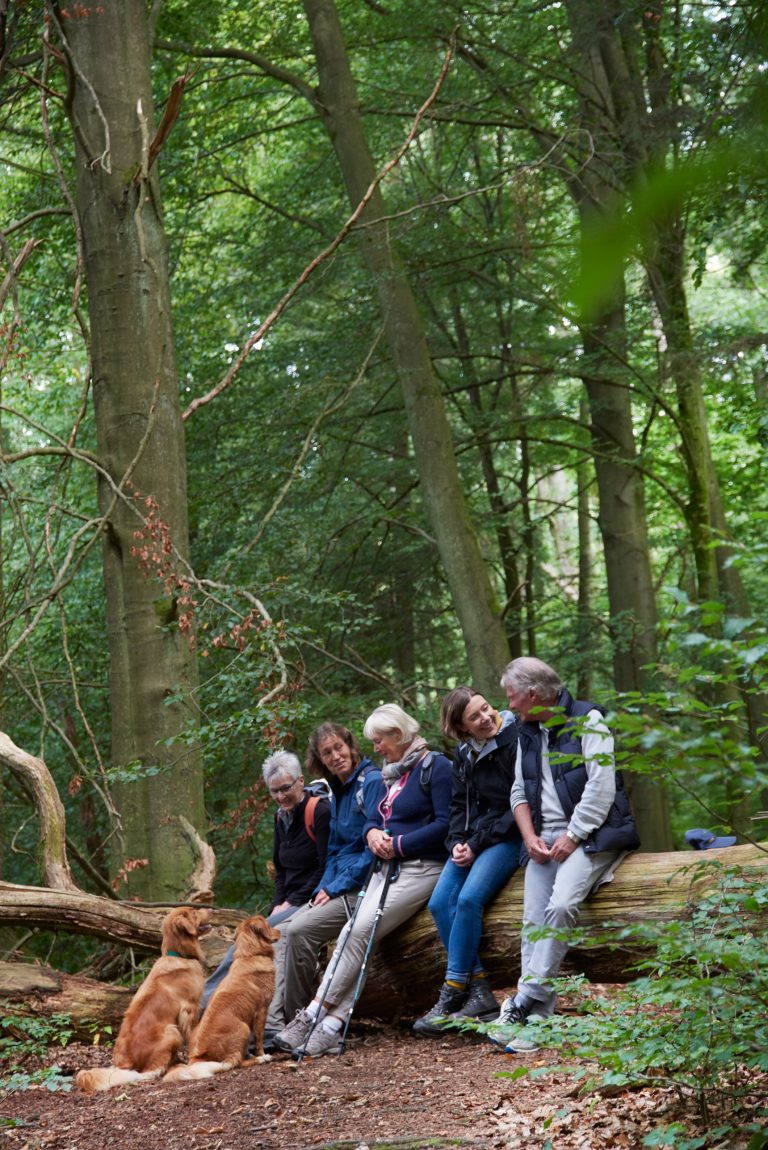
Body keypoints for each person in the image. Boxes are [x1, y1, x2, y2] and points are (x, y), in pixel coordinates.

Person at [273, 703, 452, 1059]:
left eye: (378, 740)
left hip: (415, 869)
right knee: (352, 935)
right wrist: (371, 837)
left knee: (355, 932)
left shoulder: (431, 767)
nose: (375, 747)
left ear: (397, 736)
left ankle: (311, 1014)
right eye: (328, 752)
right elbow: (371, 825)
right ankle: (330, 1025)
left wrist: (393, 845)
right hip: (387, 871)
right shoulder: (392, 774)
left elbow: (445, 824)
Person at [491, 656, 639, 1054]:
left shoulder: (587, 720)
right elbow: (519, 792)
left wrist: (573, 835)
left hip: (593, 836)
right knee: (532, 922)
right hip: (544, 841)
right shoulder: (526, 732)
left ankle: (522, 1002)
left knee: (559, 907)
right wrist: (529, 837)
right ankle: (537, 1020)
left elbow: (602, 787)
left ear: (535, 694)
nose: (511, 706)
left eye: (513, 697)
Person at [413, 686, 521, 1035]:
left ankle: (452, 990)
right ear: (462, 728)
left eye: (486, 708)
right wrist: (457, 842)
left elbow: (516, 805)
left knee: (468, 899)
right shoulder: (463, 753)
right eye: (475, 717)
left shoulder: (514, 740)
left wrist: (475, 843)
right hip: (473, 841)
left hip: (508, 836)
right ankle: (479, 992)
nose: (486, 717)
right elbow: (458, 807)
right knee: (440, 903)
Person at [200, 750, 331, 1023]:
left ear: (300, 781)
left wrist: (292, 901)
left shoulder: (318, 811)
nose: (281, 796)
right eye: (274, 792)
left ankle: (211, 1006)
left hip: (314, 897)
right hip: (289, 900)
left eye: (286, 789)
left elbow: (325, 866)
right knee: (244, 941)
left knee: (255, 940)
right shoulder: (279, 818)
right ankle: (209, 1003)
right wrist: (277, 904)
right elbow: (281, 870)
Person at [272, 722, 382, 1034]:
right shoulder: (338, 792)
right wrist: (324, 886)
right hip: (335, 886)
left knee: (299, 931)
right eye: (326, 753)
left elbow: (370, 850)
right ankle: (277, 1020)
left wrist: (335, 887)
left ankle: (297, 1019)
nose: (335, 756)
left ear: (350, 745)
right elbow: (332, 851)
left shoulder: (370, 783)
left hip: (361, 887)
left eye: (338, 748)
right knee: (282, 929)